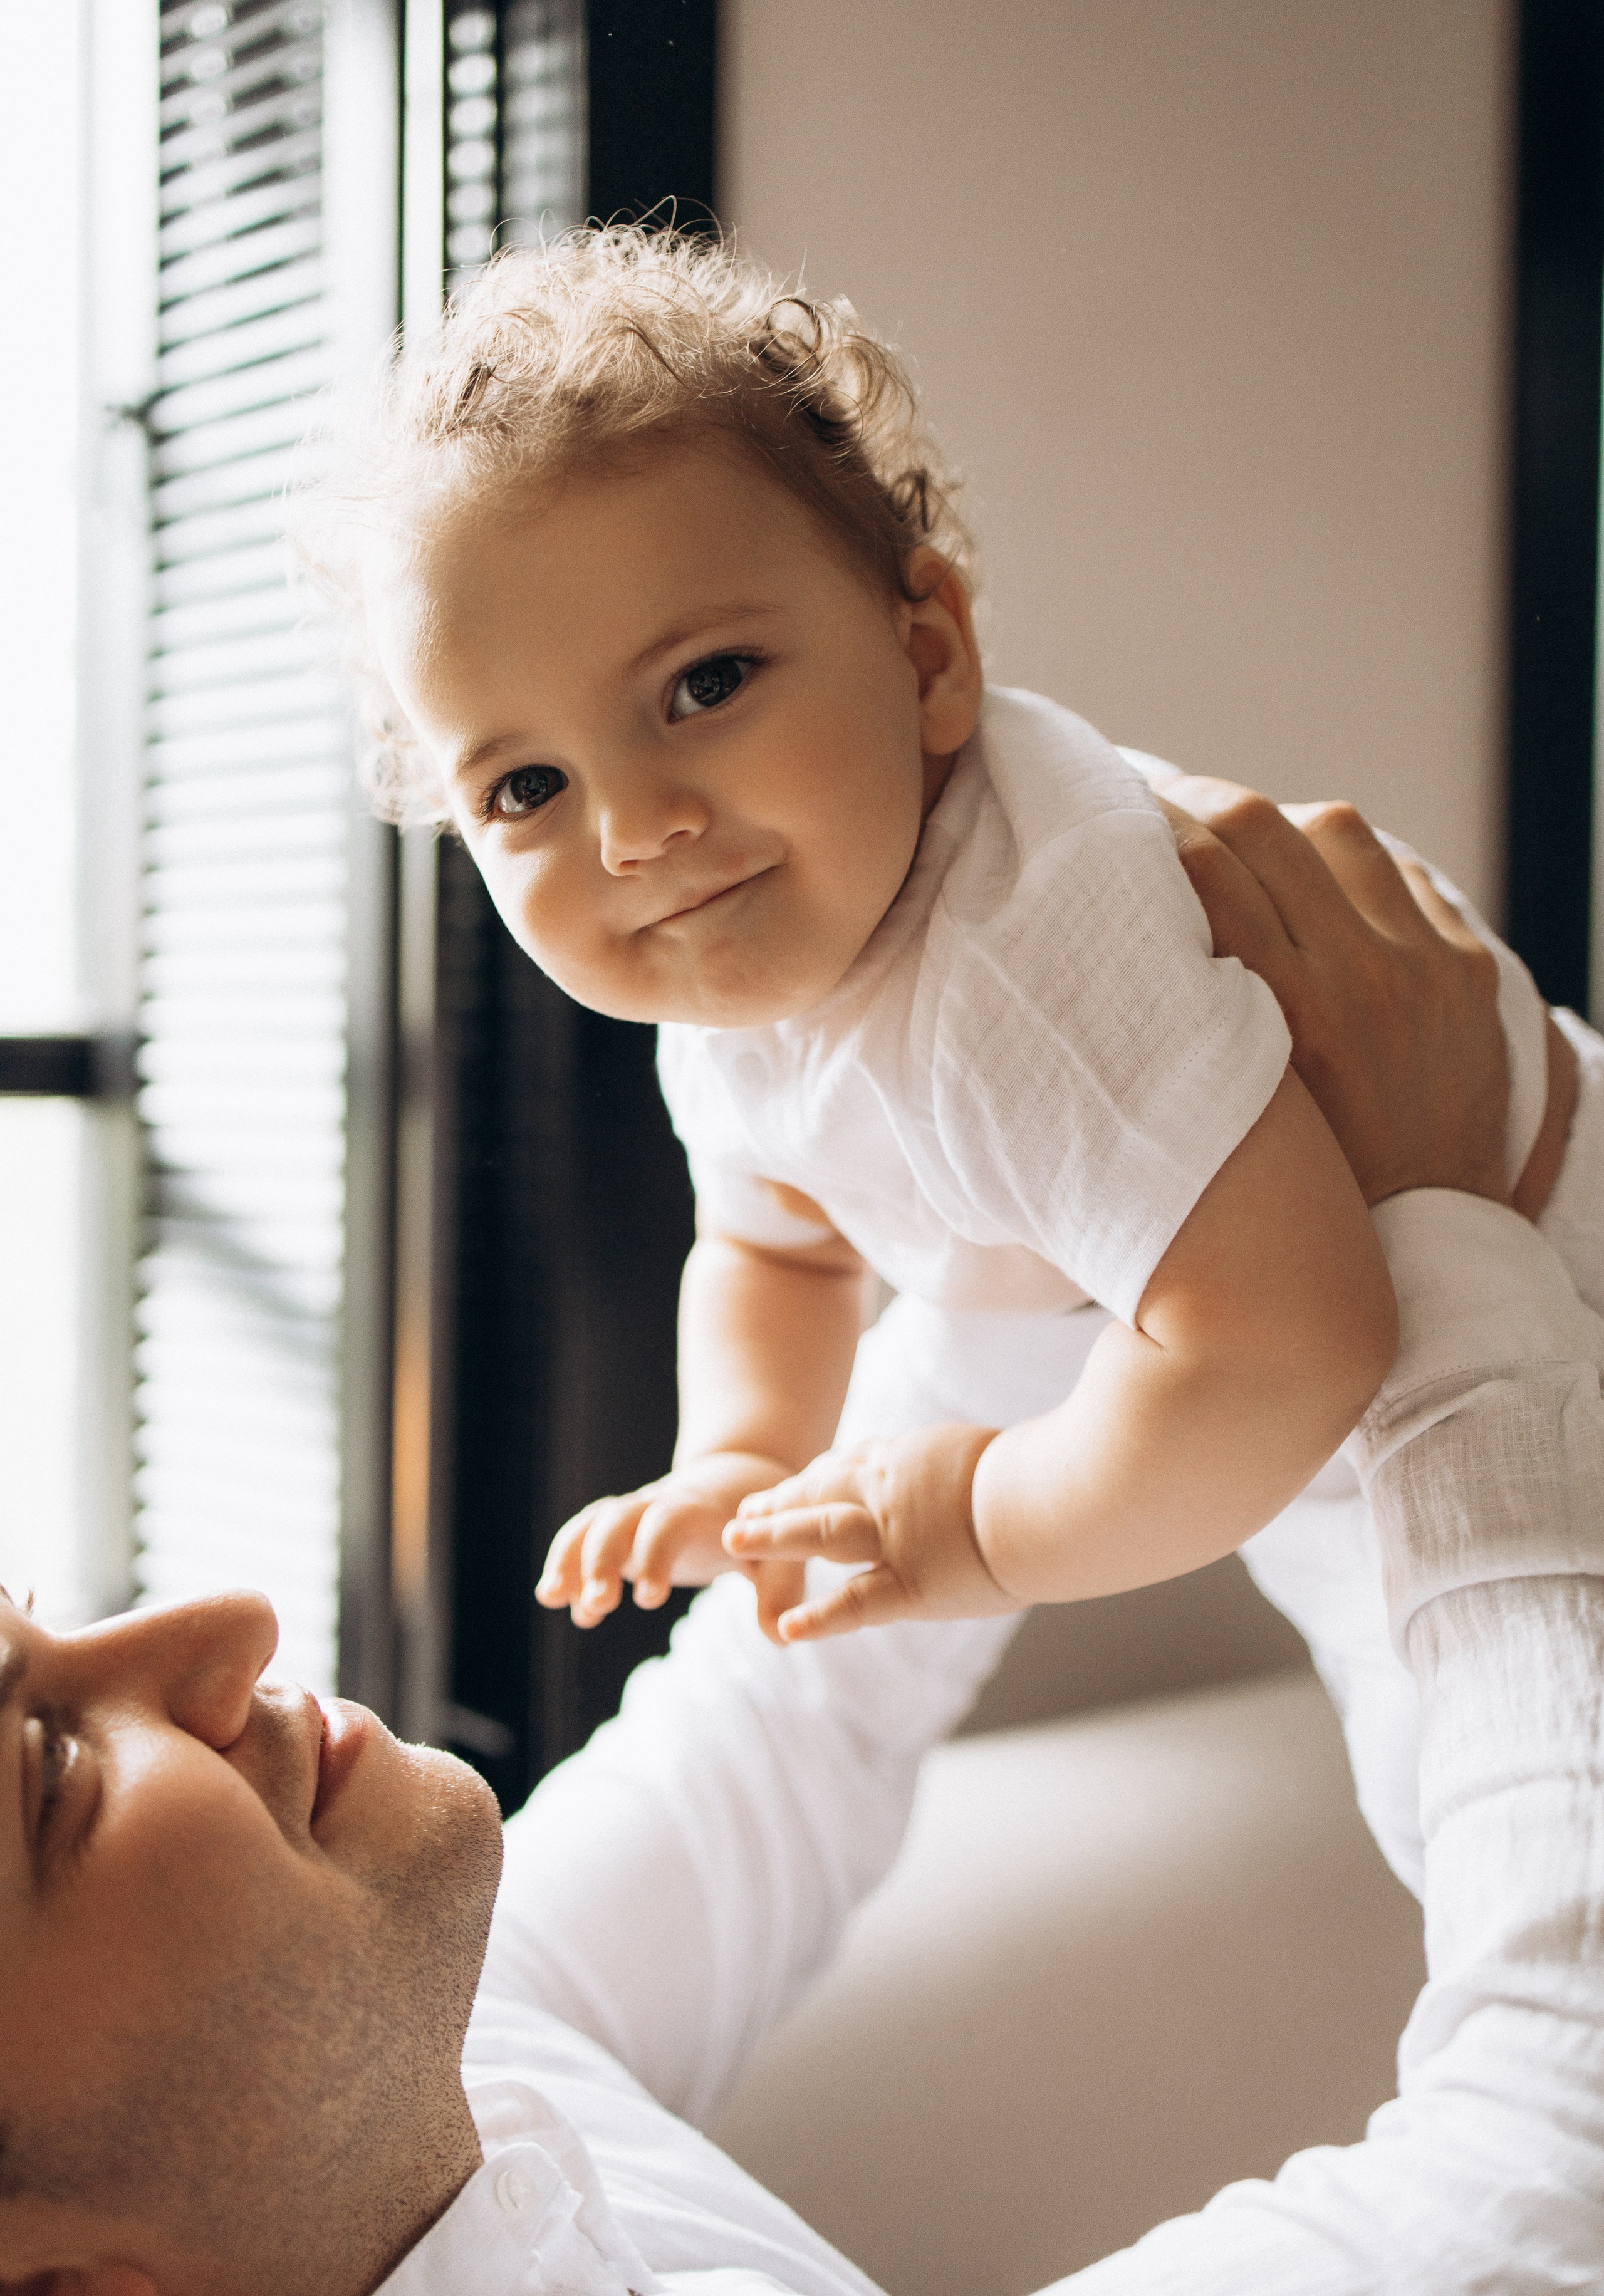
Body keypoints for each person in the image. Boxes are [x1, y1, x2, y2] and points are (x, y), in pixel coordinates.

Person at [4, 786, 1603, 2295]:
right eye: (48, 1774)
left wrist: (1104, 1143)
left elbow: (794, 1717)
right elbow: (1560, 2161)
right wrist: (1438, 1217)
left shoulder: (440, 2058)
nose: (225, 1626)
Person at [311, 222, 1515, 1651]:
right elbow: (776, 1244)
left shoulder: (1025, 957)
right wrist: (741, 1460)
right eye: (527, 789)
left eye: (706, 684)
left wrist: (980, 1525)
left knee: (1477, 1677)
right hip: (1279, 1347)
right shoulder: (734, 967)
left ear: (927, 655)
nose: (633, 832)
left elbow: (1290, 1345)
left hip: (1517, 1297)